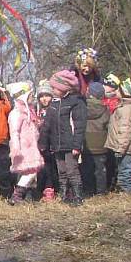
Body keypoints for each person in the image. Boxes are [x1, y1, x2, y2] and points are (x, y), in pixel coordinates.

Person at [39, 70, 87, 205]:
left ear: (63, 87)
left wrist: (77, 145)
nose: (52, 90)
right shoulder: (54, 104)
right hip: (56, 144)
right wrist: (43, 142)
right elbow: (47, 125)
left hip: (70, 144)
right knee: (62, 171)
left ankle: (77, 195)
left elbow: (79, 126)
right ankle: (64, 193)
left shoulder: (76, 103)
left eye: (54, 87)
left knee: (72, 170)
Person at [7, 81, 44, 204]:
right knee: (31, 172)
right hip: (23, 149)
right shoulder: (16, 113)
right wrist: (16, 149)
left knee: (30, 172)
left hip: (31, 147)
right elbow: (14, 132)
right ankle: (16, 195)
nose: (32, 97)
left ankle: (27, 196)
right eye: (30, 95)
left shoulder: (29, 112)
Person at [106, 80, 131, 194]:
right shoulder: (129, 106)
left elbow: (125, 131)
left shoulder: (126, 109)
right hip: (130, 146)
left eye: (119, 90)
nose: (116, 91)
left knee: (125, 172)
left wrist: (120, 149)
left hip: (126, 147)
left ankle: (128, 194)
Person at [81, 82, 110, 196]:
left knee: (87, 168)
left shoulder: (82, 108)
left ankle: (88, 190)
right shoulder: (105, 109)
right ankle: (101, 191)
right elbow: (108, 126)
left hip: (86, 143)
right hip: (101, 144)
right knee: (100, 170)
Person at [35, 80, 58, 201]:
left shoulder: (53, 111)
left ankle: (50, 189)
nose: (44, 99)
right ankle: (40, 189)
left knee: (50, 169)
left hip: (49, 146)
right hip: (38, 145)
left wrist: (53, 145)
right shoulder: (36, 111)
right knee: (40, 170)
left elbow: (53, 130)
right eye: (42, 96)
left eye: (47, 96)